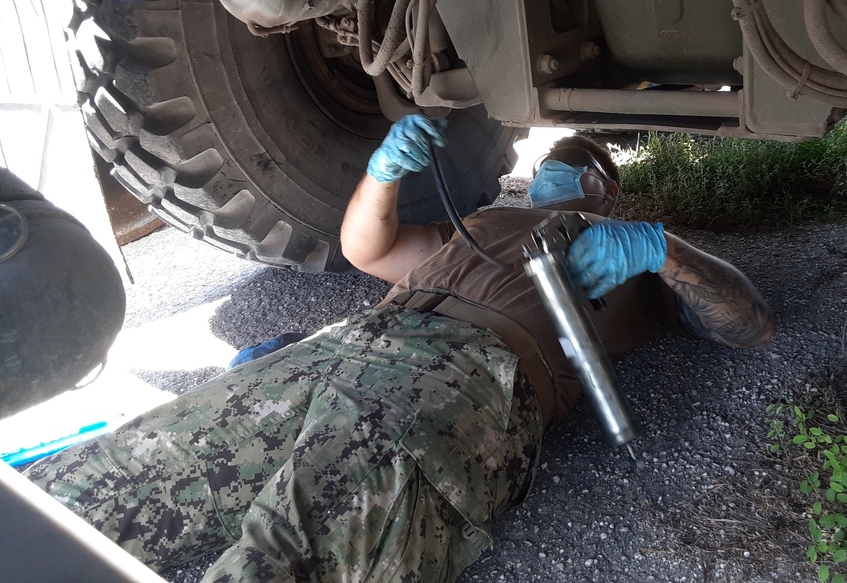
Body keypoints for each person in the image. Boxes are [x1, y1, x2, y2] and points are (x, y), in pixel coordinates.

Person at [25, 115, 775, 583]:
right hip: (344, 346)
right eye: (556, 158)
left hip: (467, 373)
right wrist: (382, 173)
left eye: (580, 164)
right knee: (113, 473)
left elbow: (747, 322)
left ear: (603, 188)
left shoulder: (628, 256)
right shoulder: (478, 225)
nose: (557, 171)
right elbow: (367, 246)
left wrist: (658, 248)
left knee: (293, 552)